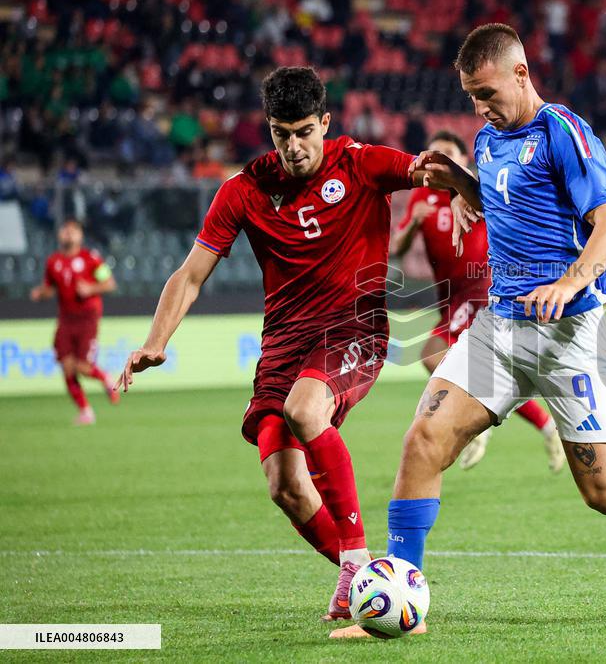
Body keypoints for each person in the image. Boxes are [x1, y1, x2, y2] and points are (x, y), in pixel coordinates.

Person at [330, 23, 606, 639]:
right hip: (500, 328)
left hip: (568, 335)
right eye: (471, 96)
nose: (480, 107)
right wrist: (460, 183)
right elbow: (506, 203)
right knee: (423, 441)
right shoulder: (487, 139)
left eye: (487, 92)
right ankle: (398, 604)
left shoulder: (563, 132)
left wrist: (568, 282)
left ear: (521, 74)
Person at [114, 67, 425, 628]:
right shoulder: (245, 189)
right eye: (282, 134)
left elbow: (429, 170)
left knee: (305, 410)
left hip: (352, 329)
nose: (294, 146)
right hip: (283, 346)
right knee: (284, 485)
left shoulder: (359, 163)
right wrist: (155, 342)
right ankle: (370, 583)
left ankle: (359, 566)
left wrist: (467, 194)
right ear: (269, 129)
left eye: (304, 131)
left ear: (324, 122)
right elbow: (190, 274)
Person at [391, 130, 565, 472]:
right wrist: (414, 224)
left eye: (447, 155)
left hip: (480, 286)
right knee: (474, 365)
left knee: (432, 353)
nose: (438, 162)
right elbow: (397, 247)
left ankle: (476, 422)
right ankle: (539, 425)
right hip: (450, 295)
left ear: (463, 161)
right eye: (433, 155)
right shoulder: (422, 197)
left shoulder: (477, 189)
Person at [30, 217, 119, 425]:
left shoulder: (91, 258)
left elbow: (110, 283)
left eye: (73, 230)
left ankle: (105, 377)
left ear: (80, 236)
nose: (68, 233)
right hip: (65, 320)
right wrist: (40, 293)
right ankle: (86, 411)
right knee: (67, 366)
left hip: (87, 318)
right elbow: (49, 288)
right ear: (59, 234)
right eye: (65, 229)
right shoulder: (53, 262)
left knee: (83, 366)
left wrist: (91, 288)